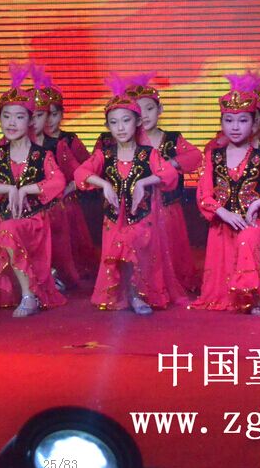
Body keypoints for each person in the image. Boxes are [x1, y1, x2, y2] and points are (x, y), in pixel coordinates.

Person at [74, 74, 181, 314]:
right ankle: (124, 294)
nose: (120, 128)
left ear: (137, 122)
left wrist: (144, 182)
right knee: (119, 251)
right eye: (114, 122)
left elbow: (168, 174)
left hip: (142, 217)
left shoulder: (148, 153)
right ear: (108, 126)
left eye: (126, 121)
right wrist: (103, 183)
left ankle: (135, 294)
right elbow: (81, 173)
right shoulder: (105, 155)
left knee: (132, 245)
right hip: (114, 218)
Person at [192, 72, 260, 315]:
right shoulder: (213, 156)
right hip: (222, 225)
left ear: (254, 124)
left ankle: (256, 296)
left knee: (249, 236)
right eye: (229, 120)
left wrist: (259, 203)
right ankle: (235, 295)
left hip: (252, 223)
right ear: (222, 122)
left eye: (242, 120)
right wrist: (223, 213)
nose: (235, 127)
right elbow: (204, 195)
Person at [0, 63, 67, 317]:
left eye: (19, 117)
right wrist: (8, 188)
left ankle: (29, 296)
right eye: (6, 116)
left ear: (30, 121)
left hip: (32, 222)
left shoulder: (41, 154)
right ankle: (26, 292)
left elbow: (58, 181)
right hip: (5, 218)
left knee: (9, 230)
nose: (12, 122)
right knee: (7, 229)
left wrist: (27, 189)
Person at [130, 73, 203, 292]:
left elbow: (195, 156)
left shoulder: (171, 139)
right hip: (138, 211)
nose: (144, 115)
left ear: (160, 110)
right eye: (138, 110)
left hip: (168, 209)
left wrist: (170, 163)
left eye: (149, 108)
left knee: (171, 250)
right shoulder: (126, 141)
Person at [29, 64, 80, 290]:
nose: (36, 121)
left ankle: (53, 275)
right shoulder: (11, 146)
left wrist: (64, 190)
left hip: (54, 208)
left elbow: (81, 172)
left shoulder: (58, 144)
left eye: (42, 115)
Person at [42, 74, 98, 277]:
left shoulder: (69, 140)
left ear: (62, 114)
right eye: (44, 115)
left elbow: (89, 168)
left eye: (54, 114)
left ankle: (67, 274)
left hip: (66, 202)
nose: (49, 120)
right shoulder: (31, 141)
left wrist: (71, 186)